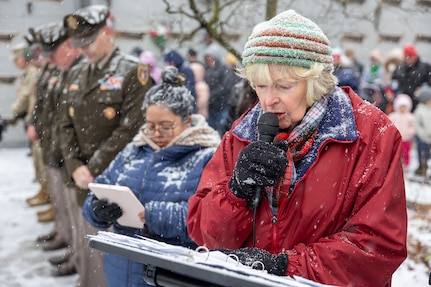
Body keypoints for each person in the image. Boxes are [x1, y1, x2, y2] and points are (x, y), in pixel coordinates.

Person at [187, 10, 407, 287]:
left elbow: (377, 247)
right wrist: (235, 193)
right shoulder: (241, 134)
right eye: (260, 85)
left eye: (283, 86)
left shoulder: (372, 136)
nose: (269, 100)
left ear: (315, 82)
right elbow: (205, 235)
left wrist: (285, 267)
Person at [82, 66, 220, 287]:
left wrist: (152, 216)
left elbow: (211, 220)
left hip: (171, 275)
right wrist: (97, 210)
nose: (156, 133)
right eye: (150, 125)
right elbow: (97, 191)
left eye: (166, 127)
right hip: (121, 270)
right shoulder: (133, 150)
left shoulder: (207, 157)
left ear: (187, 120)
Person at [60, 4, 155, 286]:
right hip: (83, 177)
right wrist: (76, 166)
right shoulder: (77, 74)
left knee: (111, 257)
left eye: (90, 40)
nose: (85, 49)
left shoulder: (133, 72)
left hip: (115, 180)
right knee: (87, 245)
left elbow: (131, 129)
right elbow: (65, 125)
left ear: (108, 33)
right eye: (80, 43)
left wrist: (93, 167)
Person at [204, 43, 239, 136]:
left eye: (210, 56)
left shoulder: (223, 69)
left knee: (223, 129)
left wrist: (212, 95)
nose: (208, 59)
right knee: (211, 130)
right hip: (210, 105)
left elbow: (225, 86)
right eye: (207, 56)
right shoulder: (206, 69)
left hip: (222, 104)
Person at [392, 43, 431, 111]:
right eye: (407, 57)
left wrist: (423, 90)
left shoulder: (425, 67)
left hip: (419, 101)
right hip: (403, 101)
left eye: (411, 57)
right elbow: (393, 81)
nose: (409, 60)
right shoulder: (400, 67)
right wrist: (390, 91)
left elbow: (429, 83)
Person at [388, 94, 415, 169]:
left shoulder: (410, 117)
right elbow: (390, 125)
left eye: (404, 107)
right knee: (396, 152)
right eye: (401, 107)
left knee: (406, 153)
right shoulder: (393, 116)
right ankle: (396, 165)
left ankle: (406, 165)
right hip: (396, 139)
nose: (403, 109)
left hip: (406, 138)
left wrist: (410, 132)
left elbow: (413, 126)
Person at [413, 85, 431, 177]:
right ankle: (421, 167)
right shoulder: (420, 110)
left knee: (429, 154)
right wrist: (422, 134)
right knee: (422, 152)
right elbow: (417, 124)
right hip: (423, 137)